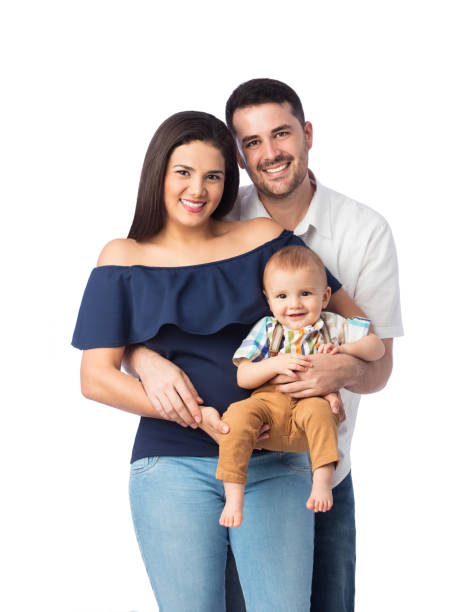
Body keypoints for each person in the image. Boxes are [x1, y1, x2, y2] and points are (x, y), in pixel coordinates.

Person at [127, 79, 403, 612]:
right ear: (238, 153)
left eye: (282, 134)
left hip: (320, 465)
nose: (270, 153)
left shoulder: (364, 231)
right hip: (220, 457)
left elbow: (379, 361)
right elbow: (152, 305)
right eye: (252, 142)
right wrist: (142, 358)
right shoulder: (218, 214)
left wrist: (337, 372)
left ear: (307, 134)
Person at [72, 110, 362, 611]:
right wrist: (186, 405)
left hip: (271, 460)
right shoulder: (121, 258)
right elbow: (96, 379)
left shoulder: (261, 238)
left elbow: (350, 324)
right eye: (183, 172)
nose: (198, 189)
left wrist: (325, 375)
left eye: (214, 175)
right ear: (158, 174)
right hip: (170, 466)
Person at [218, 245, 385, 528]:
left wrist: (346, 349)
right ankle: (234, 495)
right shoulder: (268, 328)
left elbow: (377, 347)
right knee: (235, 416)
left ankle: (321, 481)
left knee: (321, 415)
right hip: (270, 402)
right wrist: (273, 365)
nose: (294, 304)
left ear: (325, 296)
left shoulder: (333, 325)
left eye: (305, 294)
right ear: (269, 301)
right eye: (282, 296)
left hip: (312, 402)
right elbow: (243, 376)